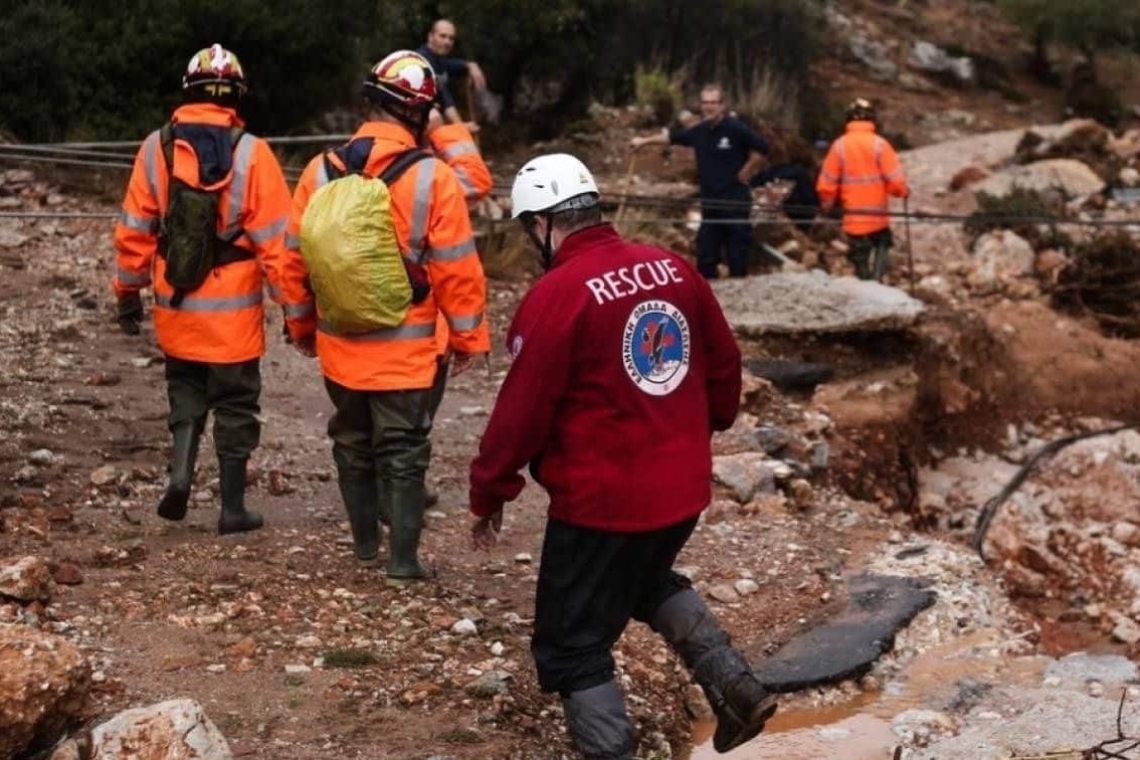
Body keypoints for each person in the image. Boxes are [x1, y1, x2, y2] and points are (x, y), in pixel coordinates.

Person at [468, 153, 778, 758]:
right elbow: (724, 365)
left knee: (572, 644)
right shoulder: (672, 268)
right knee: (642, 579)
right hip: (681, 490)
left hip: (600, 504)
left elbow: (521, 414)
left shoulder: (555, 295)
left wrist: (490, 492)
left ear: (541, 225)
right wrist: (701, 426)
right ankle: (736, 689)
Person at [283, 50, 490, 584]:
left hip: (338, 342)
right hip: (407, 348)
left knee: (350, 439)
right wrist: (468, 338)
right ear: (420, 114)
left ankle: (363, 549)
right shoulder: (434, 178)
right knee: (403, 449)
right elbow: (457, 270)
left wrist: (301, 328)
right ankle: (403, 561)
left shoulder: (318, 170)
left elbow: (292, 260)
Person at [113, 44, 305, 535]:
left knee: (184, 386)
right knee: (237, 403)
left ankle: (180, 474)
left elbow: (135, 229)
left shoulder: (155, 147)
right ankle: (232, 509)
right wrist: (296, 311)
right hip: (234, 314)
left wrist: (127, 292)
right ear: (235, 95)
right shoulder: (252, 153)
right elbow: (280, 247)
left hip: (175, 302)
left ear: (188, 90)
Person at [630, 84, 769, 279]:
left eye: (713, 103)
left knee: (737, 258)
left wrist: (747, 170)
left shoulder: (735, 128)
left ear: (722, 105)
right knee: (705, 257)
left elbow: (762, 148)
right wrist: (643, 141)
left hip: (734, 201)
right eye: (705, 103)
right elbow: (671, 137)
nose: (709, 107)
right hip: (709, 203)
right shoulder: (699, 131)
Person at [815, 98, 909, 280]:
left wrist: (826, 202)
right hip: (878, 216)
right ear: (871, 120)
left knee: (859, 252)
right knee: (882, 242)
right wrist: (902, 191)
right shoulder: (880, 144)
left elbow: (827, 180)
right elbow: (896, 180)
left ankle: (865, 281)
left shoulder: (839, 146)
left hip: (853, 215)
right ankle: (878, 278)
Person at [416, 18, 487, 127]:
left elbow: (453, 64)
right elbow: (442, 95)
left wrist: (471, 65)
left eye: (451, 38)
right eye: (442, 36)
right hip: (416, 126)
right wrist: (460, 126)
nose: (447, 42)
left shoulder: (439, 60)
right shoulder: (421, 60)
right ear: (430, 37)